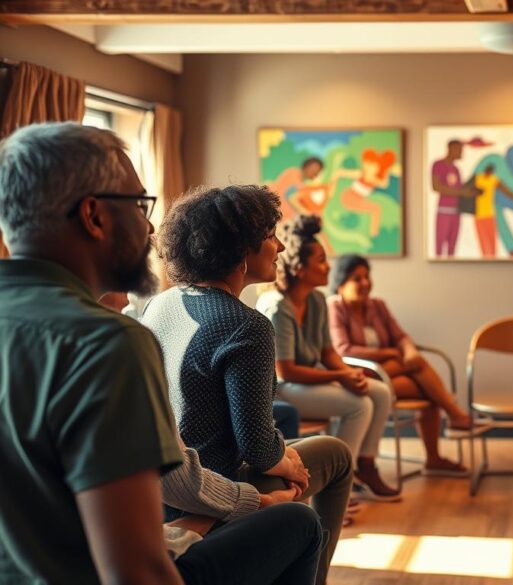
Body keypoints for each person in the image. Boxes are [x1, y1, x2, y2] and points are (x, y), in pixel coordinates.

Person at [0, 122, 322, 585]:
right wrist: (249, 504)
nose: (150, 226)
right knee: (301, 521)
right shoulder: (104, 343)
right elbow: (136, 570)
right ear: (94, 216)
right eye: (139, 204)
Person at [142, 184, 353, 585]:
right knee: (337, 458)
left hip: (158, 492)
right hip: (212, 487)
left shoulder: (161, 303)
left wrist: (280, 454)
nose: (281, 247)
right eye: (271, 236)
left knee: (326, 452)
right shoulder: (246, 325)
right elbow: (257, 447)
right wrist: (283, 459)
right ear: (242, 250)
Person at [257, 214, 399, 501]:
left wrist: (348, 374)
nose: (329, 267)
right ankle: (338, 485)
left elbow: (327, 352)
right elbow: (286, 371)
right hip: (281, 388)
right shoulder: (278, 307)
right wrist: (340, 376)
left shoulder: (317, 300)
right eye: (321, 260)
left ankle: (365, 466)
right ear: (299, 269)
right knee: (359, 405)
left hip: (307, 381)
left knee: (380, 392)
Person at [327, 254, 485, 475]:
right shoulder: (334, 307)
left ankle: (439, 448)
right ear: (340, 283)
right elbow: (344, 350)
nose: (365, 283)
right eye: (357, 278)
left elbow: (400, 336)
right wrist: (389, 353)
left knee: (423, 377)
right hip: (361, 376)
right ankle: (453, 419)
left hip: (390, 371)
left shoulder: (377, 305)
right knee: (430, 389)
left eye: (367, 276)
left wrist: (409, 352)